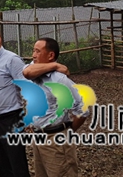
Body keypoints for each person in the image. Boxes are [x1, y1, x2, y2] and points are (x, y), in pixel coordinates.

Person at [22, 38, 88, 177]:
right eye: (33, 50)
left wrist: (66, 131)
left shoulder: (60, 80)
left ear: (51, 55)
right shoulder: (33, 73)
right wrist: (55, 65)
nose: (33, 55)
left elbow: (82, 110)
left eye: (38, 51)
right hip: (38, 138)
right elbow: (27, 72)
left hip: (55, 139)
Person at [0, 27, 30, 177]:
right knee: (2, 162)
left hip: (11, 118)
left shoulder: (11, 59)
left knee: (17, 162)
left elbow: (26, 86)